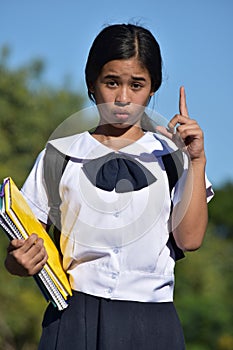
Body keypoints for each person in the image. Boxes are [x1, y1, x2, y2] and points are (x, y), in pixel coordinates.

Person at [4, 23, 213, 349]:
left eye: (137, 84)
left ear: (153, 88)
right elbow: (26, 241)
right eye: (111, 82)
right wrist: (17, 262)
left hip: (153, 321)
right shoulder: (58, 155)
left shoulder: (173, 156)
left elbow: (190, 239)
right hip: (74, 317)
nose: (123, 97)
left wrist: (196, 161)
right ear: (92, 83)